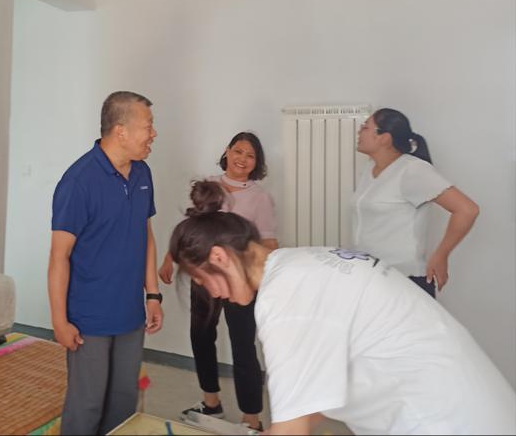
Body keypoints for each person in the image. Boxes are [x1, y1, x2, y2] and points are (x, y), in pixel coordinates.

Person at [169, 181, 516, 435]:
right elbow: (316, 398)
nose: (211, 293)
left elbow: (293, 431)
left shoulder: (286, 300)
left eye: (202, 280)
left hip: (440, 422)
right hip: (479, 409)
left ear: (219, 258)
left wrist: (287, 427)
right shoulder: (304, 262)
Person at [48, 91, 164, 435]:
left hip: (130, 313)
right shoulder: (78, 181)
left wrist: (153, 294)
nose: (154, 133)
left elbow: (146, 235)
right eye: (148, 126)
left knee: (124, 403)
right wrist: (59, 321)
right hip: (90, 318)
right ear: (121, 131)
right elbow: (59, 257)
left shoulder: (142, 173)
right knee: (88, 405)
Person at [159, 132, 276, 431]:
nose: (242, 159)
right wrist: (170, 258)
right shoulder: (210, 186)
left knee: (243, 347)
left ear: (257, 163)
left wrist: (255, 275)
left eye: (250, 155)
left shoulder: (260, 197)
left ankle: (252, 419)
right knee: (201, 336)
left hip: (240, 282)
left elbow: (269, 243)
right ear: (227, 151)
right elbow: (191, 228)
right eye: (238, 151)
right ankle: (211, 402)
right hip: (205, 277)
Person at [354, 108, 480, 297]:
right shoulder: (370, 168)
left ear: (384, 138)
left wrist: (441, 255)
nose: (359, 131)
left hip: (404, 279)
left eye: (365, 127)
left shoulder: (412, 170)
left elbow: (467, 210)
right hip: (371, 276)